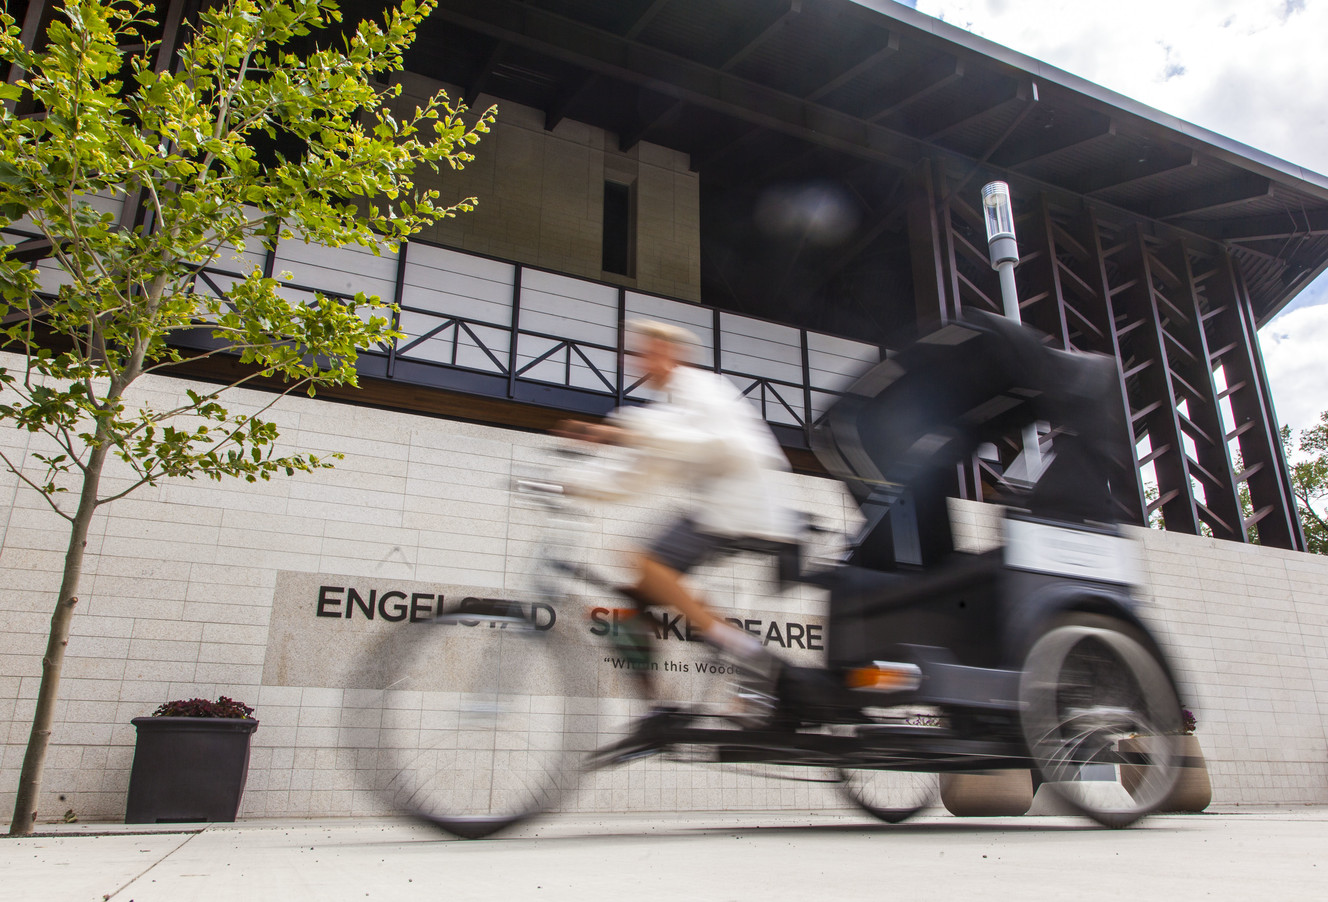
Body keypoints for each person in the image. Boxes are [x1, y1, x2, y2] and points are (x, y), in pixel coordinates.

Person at [557, 320, 800, 734]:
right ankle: (659, 708)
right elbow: (640, 474)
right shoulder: (675, 405)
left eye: (642, 352)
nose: (635, 362)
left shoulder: (701, 388)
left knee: (646, 561)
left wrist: (616, 429)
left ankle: (747, 652)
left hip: (744, 504)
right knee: (632, 602)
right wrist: (569, 485)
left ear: (668, 353)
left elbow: (697, 439)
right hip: (722, 508)